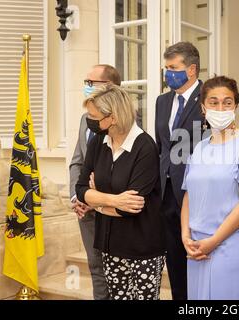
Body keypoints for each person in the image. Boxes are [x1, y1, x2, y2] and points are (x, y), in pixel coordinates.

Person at [181, 76, 239, 300]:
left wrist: (213, 242)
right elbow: (188, 196)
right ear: (203, 107)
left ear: (236, 106)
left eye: (227, 102)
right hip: (196, 249)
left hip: (230, 247)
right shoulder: (199, 148)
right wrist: (185, 236)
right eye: (213, 102)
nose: (220, 108)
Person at [76, 85, 165, 300]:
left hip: (143, 247)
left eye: (93, 116)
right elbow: (80, 189)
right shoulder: (98, 140)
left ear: (113, 117)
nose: (90, 120)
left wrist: (95, 200)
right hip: (109, 244)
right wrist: (113, 200)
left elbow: (130, 209)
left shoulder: (145, 146)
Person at [155, 42, 205, 300]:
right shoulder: (162, 101)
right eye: (166, 68)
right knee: (174, 263)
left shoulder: (210, 98)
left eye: (173, 68)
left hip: (197, 195)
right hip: (166, 196)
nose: (168, 73)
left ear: (192, 70)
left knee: (199, 260)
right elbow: (161, 147)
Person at [69, 64, 122, 300]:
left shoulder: (125, 122)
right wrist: (77, 196)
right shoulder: (84, 119)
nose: (86, 86)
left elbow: (121, 168)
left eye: (92, 82)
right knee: (96, 268)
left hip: (113, 210)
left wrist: (95, 198)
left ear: (109, 87)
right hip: (85, 210)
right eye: (86, 81)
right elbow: (76, 162)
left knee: (117, 270)